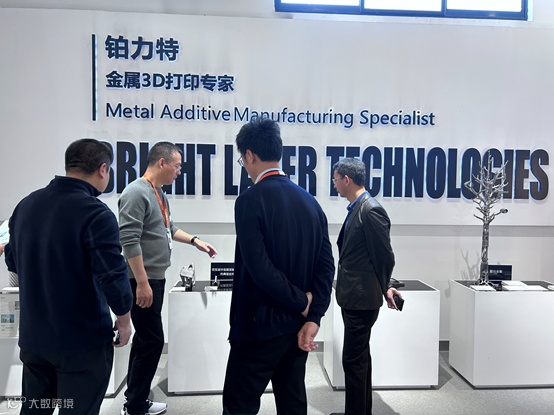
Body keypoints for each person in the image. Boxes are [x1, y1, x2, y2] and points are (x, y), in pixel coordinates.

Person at [4, 138, 133, 415]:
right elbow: (113, 275)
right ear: (103, 169)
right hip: (81, 342)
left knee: (35, 409)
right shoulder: (95, 213)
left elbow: (12, 262)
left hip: (35, 339)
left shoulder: (26, 205)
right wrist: (124, 319)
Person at [222, 118, 335, 415]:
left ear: (249, 155)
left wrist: (303, 304)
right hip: (298, 327)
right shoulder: (311, 203)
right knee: (293, 403)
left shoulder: (249, 200)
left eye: (242, 159)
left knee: (239, 405)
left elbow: (259, 268)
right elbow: (326, 266)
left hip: (258, 326)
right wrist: (314, 314)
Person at [118, 141, 218, 415]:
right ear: (162, 162)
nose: (179, 172)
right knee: (152, 341)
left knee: (145, 340)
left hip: (154, 279)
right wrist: (142, 283)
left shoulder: (158, 193)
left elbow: (167, 227)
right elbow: (129, 240)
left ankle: (134, 398)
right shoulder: (135, 192)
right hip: (143, 280)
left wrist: (195, 241)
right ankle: (135, 405)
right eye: (177, 166)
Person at [331, 157, 400, 415]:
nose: (334, 184)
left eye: (336, 180)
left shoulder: (370, 210)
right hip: (354, 296)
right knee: (358, 359)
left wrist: (385, 285)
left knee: (353, 360)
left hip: (361, 299)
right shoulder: (357, 208)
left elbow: (384, 256)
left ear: (347, 180)